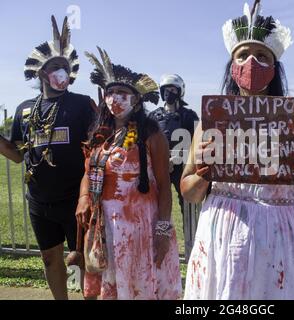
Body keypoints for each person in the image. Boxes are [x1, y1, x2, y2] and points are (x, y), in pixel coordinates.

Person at [180, 0, 294, 300]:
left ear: (274, 67)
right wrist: (203, 174)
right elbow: (188, 191)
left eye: (262, 56)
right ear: (232, 66)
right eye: (243, 55)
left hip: (281, 230)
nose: (252, 62)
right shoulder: (212, 121)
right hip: (223, 230)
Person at [0, 16, 96, 300]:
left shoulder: (81, 104)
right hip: (39, 201)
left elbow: (95, 149)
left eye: (65, 68)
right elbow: (18, 156)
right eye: (55, 67)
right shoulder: (24, 109)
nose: (62, 72)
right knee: (50, 260)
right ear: (41, 73)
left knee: (85, 261)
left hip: (76, 201)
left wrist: (88, 195)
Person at [78, 47, 182, 300]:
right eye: (110, 93)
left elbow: (165, 186)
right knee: (113, 287)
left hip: (142, 226)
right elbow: (88, 171)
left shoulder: (152, 135)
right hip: (107, 227)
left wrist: (162, 230)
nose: (115, 99)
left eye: (122, 93)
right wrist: (83, 198)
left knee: (141, 286)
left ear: (136, 100)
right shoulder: (100, 136)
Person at [150, 74, 198, 231]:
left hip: (182, 166)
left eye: (172, 89)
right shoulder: (153, 116)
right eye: (166, 89)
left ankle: (191, 240)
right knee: (154, 203)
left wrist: (177, 158)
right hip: (159, 167)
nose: (168, 93)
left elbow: (196, 142)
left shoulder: (189, 116)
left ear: (179, 92)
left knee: (188, 205)